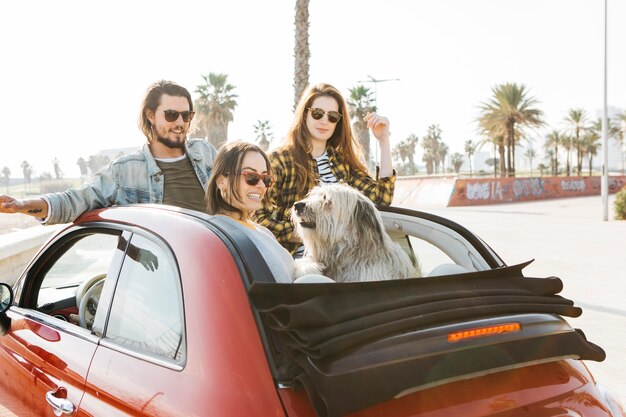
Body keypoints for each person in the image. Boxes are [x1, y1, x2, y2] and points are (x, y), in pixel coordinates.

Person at [0, 80, 217, 224]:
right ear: (150, 115)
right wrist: (22, 205)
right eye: (171, 115)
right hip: (156, 277)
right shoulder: (126, 171)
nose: (180, 122)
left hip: (216, 268)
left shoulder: (205, 153)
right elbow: (75, 201)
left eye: (186, 115)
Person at [254, 82, 396, 256]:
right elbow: (258, 219)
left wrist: (383, 140)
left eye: (332, 116)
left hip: (345, 258)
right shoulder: (279, 160)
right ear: (304, 114)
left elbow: (381, 197)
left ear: (338, 121)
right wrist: (311, 233)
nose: (324, 121)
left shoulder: (342, 162)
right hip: (300, 258)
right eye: (317, 113)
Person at [206, 141, 294, 283]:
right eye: (251, 177)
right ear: (221, 181)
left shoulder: (263, 231)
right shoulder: (217, 234)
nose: (261, 185)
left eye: (266, 179)